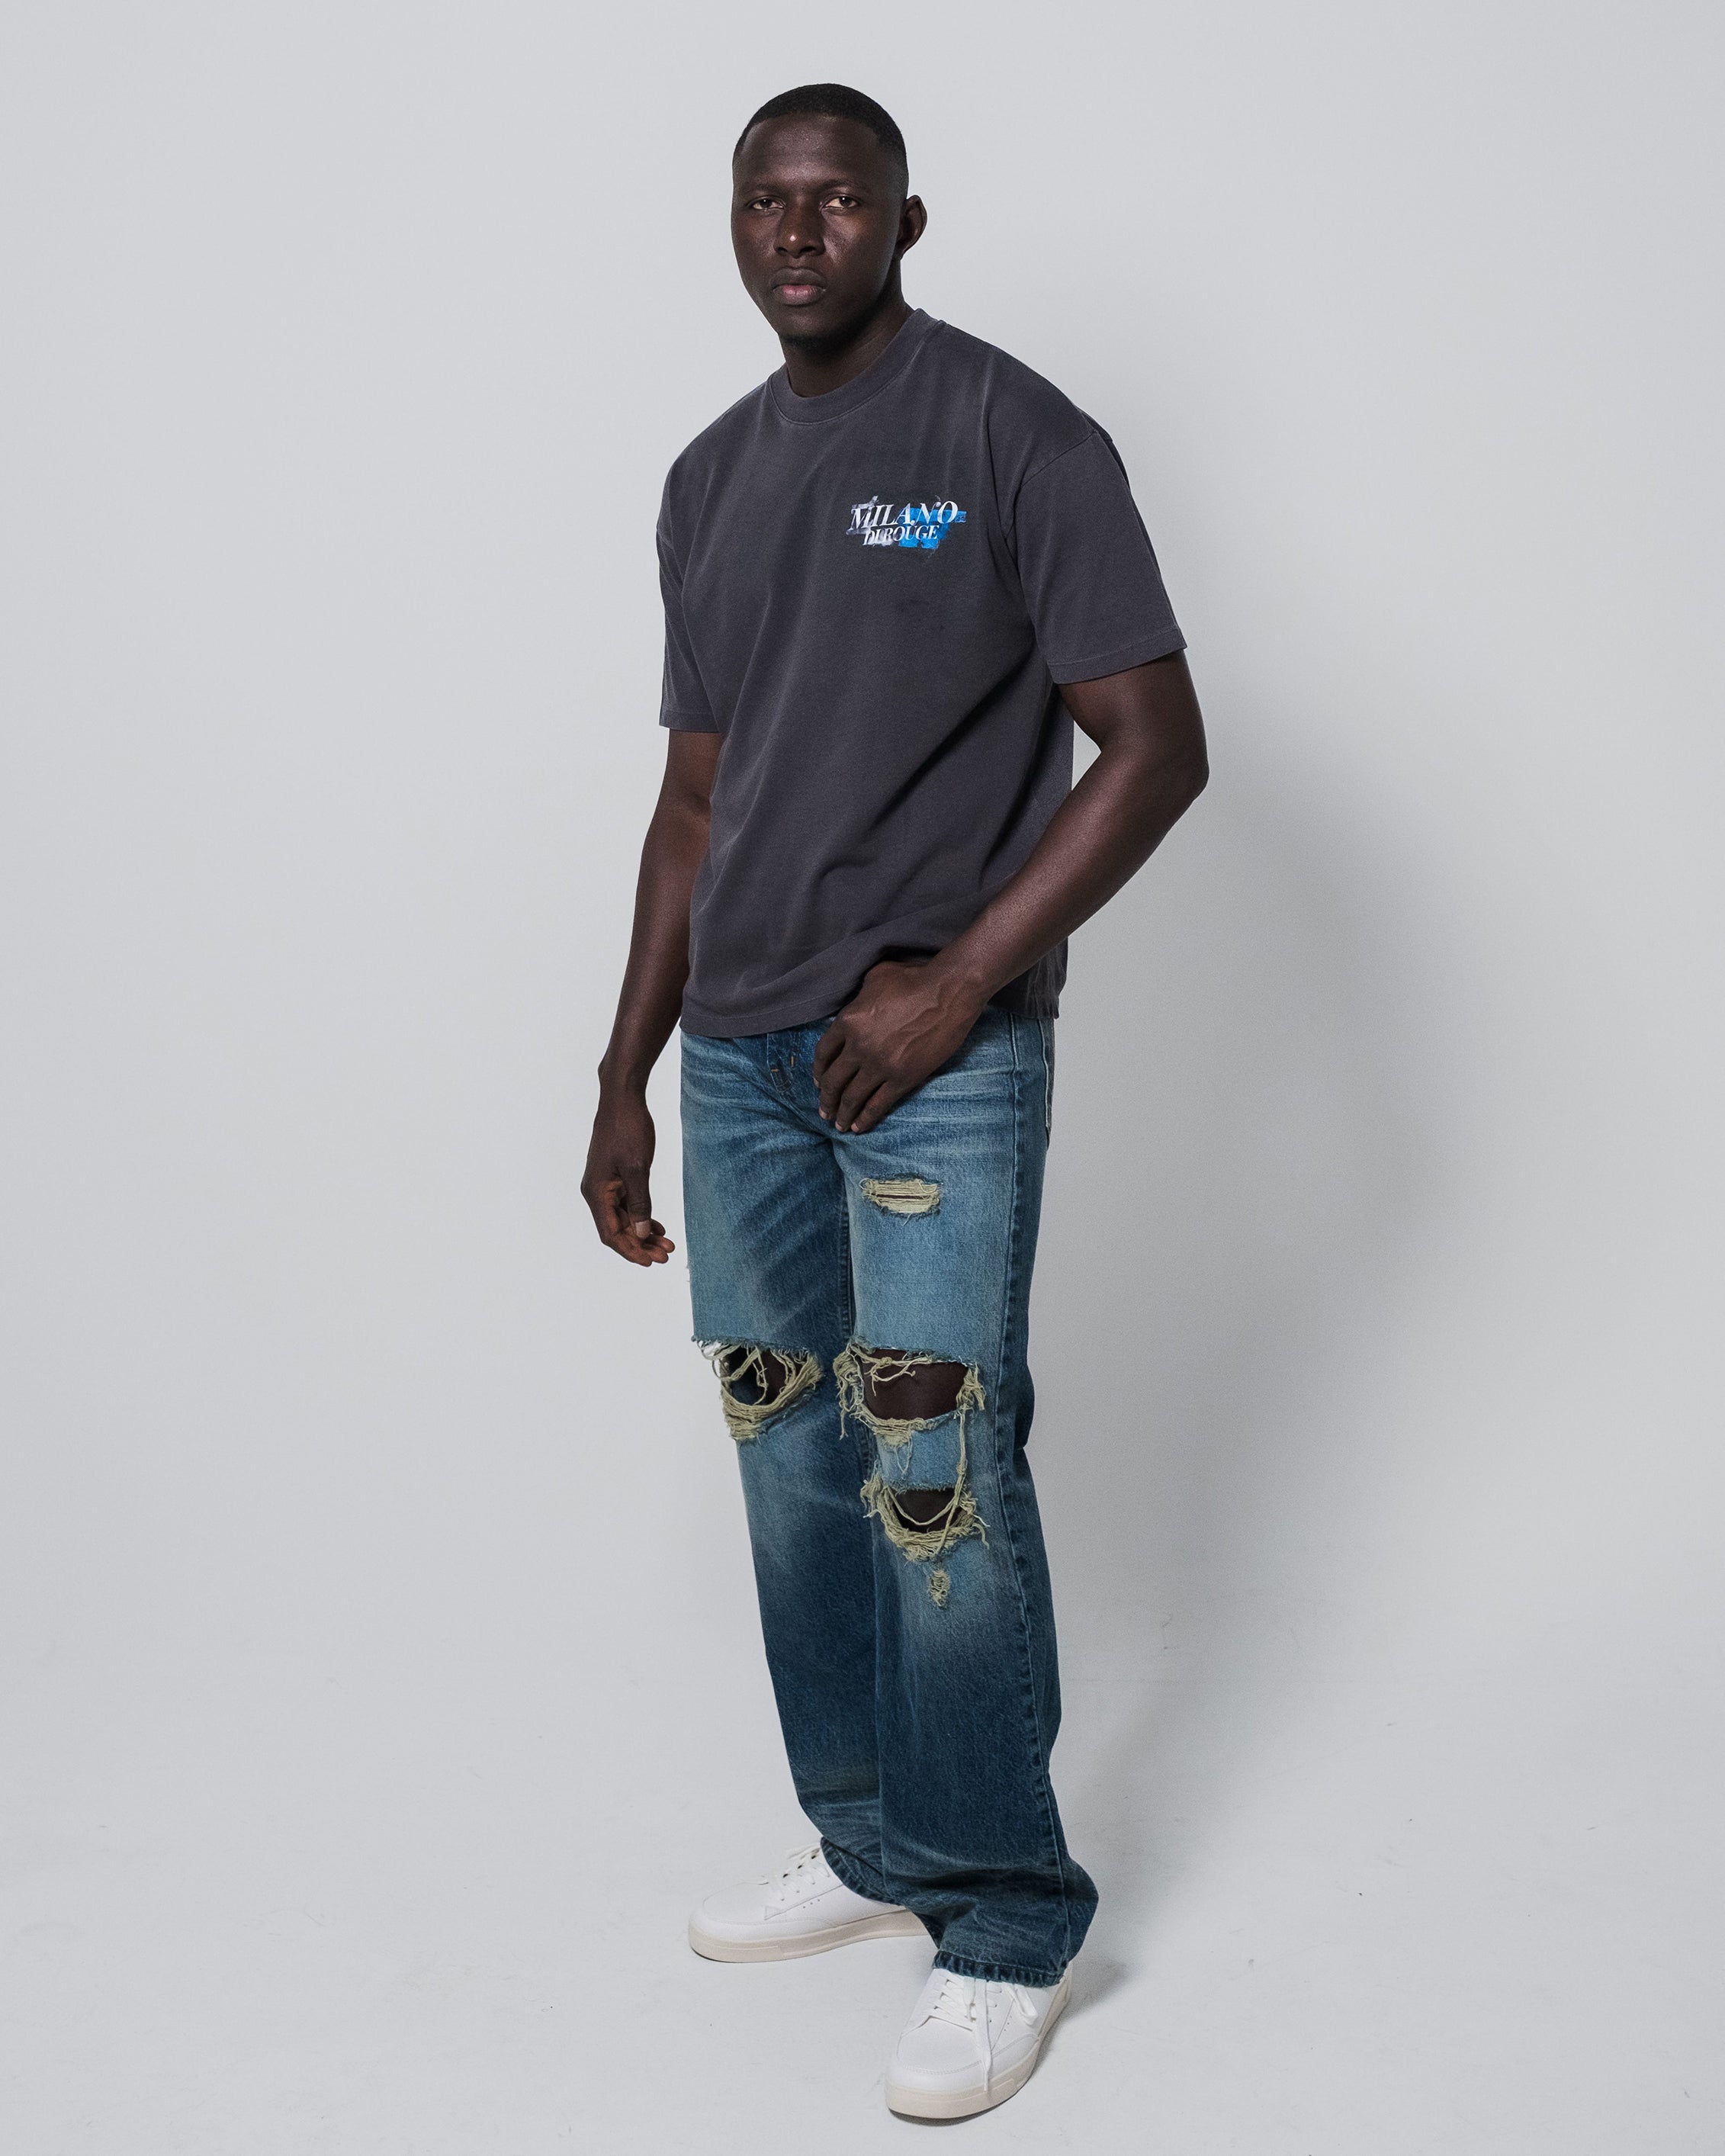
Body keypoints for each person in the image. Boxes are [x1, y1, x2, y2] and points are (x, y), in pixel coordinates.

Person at [582, 81, 1207, 2121]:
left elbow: (1155, 741)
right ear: (732, 224)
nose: (799, 231)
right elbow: (694, 805)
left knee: (934, 1461)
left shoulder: (1013, 437)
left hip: (932, 1055)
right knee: (794, 1457)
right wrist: (623, 1069)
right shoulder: (707, 479)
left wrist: (959, 982)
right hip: (741, 1062)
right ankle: (873, 1838)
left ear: (905, 222)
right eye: (767, 200)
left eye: (838, 199)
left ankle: (1007, 1918)